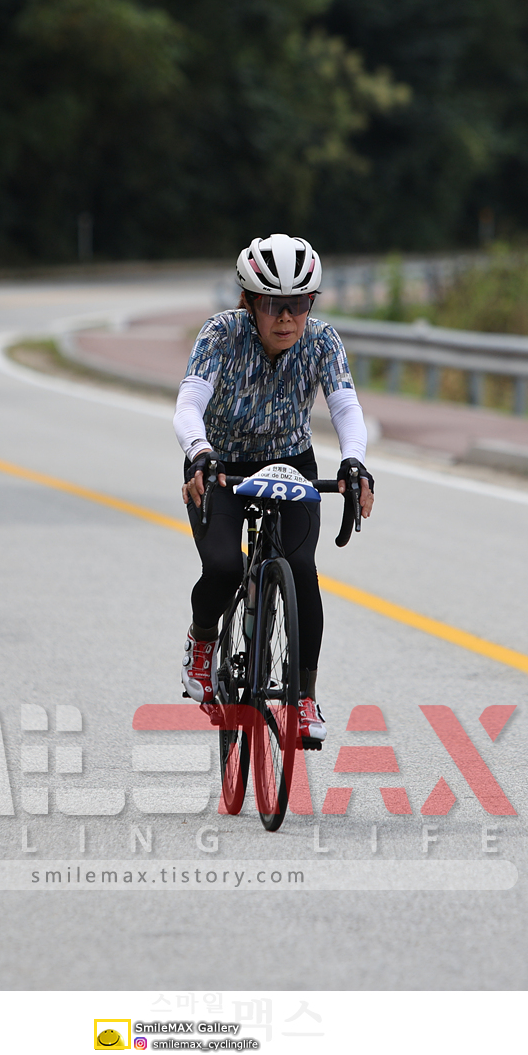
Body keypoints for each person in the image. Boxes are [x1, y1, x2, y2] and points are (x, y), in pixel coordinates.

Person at [176, 233, 375, 746]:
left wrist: (354, 461)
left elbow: (346, 406)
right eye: (272, 305)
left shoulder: (322, 341)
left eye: (299, 305)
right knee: (225, 566)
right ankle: (203, 642)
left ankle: (304, 697)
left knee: (301, 570)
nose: (287, 318)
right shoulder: (221, 334)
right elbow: (189, 403)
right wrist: (198, 450)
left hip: (291, 464)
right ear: (248, 302)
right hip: (221, 466)